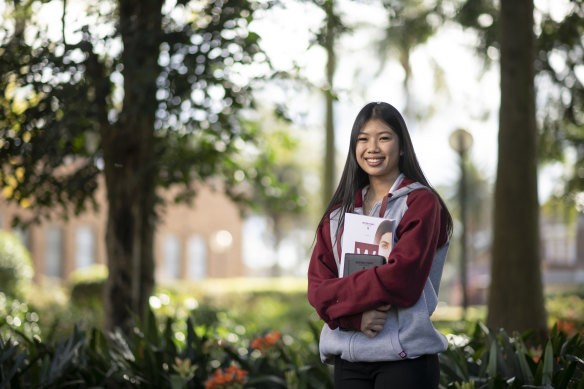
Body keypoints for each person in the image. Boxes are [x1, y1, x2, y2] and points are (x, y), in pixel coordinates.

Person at [307, 102, 453, 389]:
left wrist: (340, 298)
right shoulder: (338, 214)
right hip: (349, 360)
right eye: (363, 139)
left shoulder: (422, 203)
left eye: (384, 137)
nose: (372, 147)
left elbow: (402, 280)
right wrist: (353, 317)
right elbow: (317, 288)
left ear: (401, 147)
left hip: (405, 360)